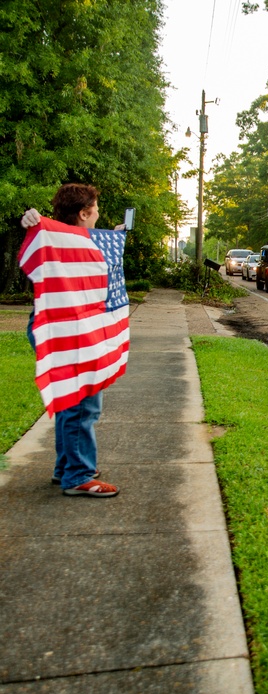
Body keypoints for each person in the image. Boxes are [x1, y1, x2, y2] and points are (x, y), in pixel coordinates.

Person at [19, 184, 126, 497]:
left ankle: (66, 467)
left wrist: (113, 238)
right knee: (82, 403)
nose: (98, 214)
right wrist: (31, 220)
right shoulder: (50, 237)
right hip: (64, 328)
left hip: (63, 325)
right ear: (83, 213)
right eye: (94, 209)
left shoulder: (72, 240)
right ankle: (78, 476)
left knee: (71, 399)